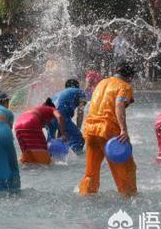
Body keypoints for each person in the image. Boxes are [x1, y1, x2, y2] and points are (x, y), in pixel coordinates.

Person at [78, 62, 137, 197]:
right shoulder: (125, 86)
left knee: (91, 172)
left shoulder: (101, 83)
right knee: (127, 169)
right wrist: (123, 130)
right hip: (109, 131)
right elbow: (119, 104)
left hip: (91, 130)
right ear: (130, 77)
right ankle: (129, 198)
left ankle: (86, 195)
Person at [14, 98, 67, 164]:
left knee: (27, 154)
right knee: (43, 155)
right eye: (51, 118)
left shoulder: (36, 109)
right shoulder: (52, 109)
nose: (50, 121)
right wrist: (63, 135)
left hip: (18, 124)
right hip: (31, 122)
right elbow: (59, 117)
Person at [46, 79, 87, 153]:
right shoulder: (80, 92)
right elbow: (80, 112)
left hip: (48, 117)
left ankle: (47, 157)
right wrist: (78, 128)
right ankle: (75, 160)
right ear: (78, 86)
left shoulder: (58, 93)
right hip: (61, 116)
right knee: (79, 139)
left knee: (50, 143)